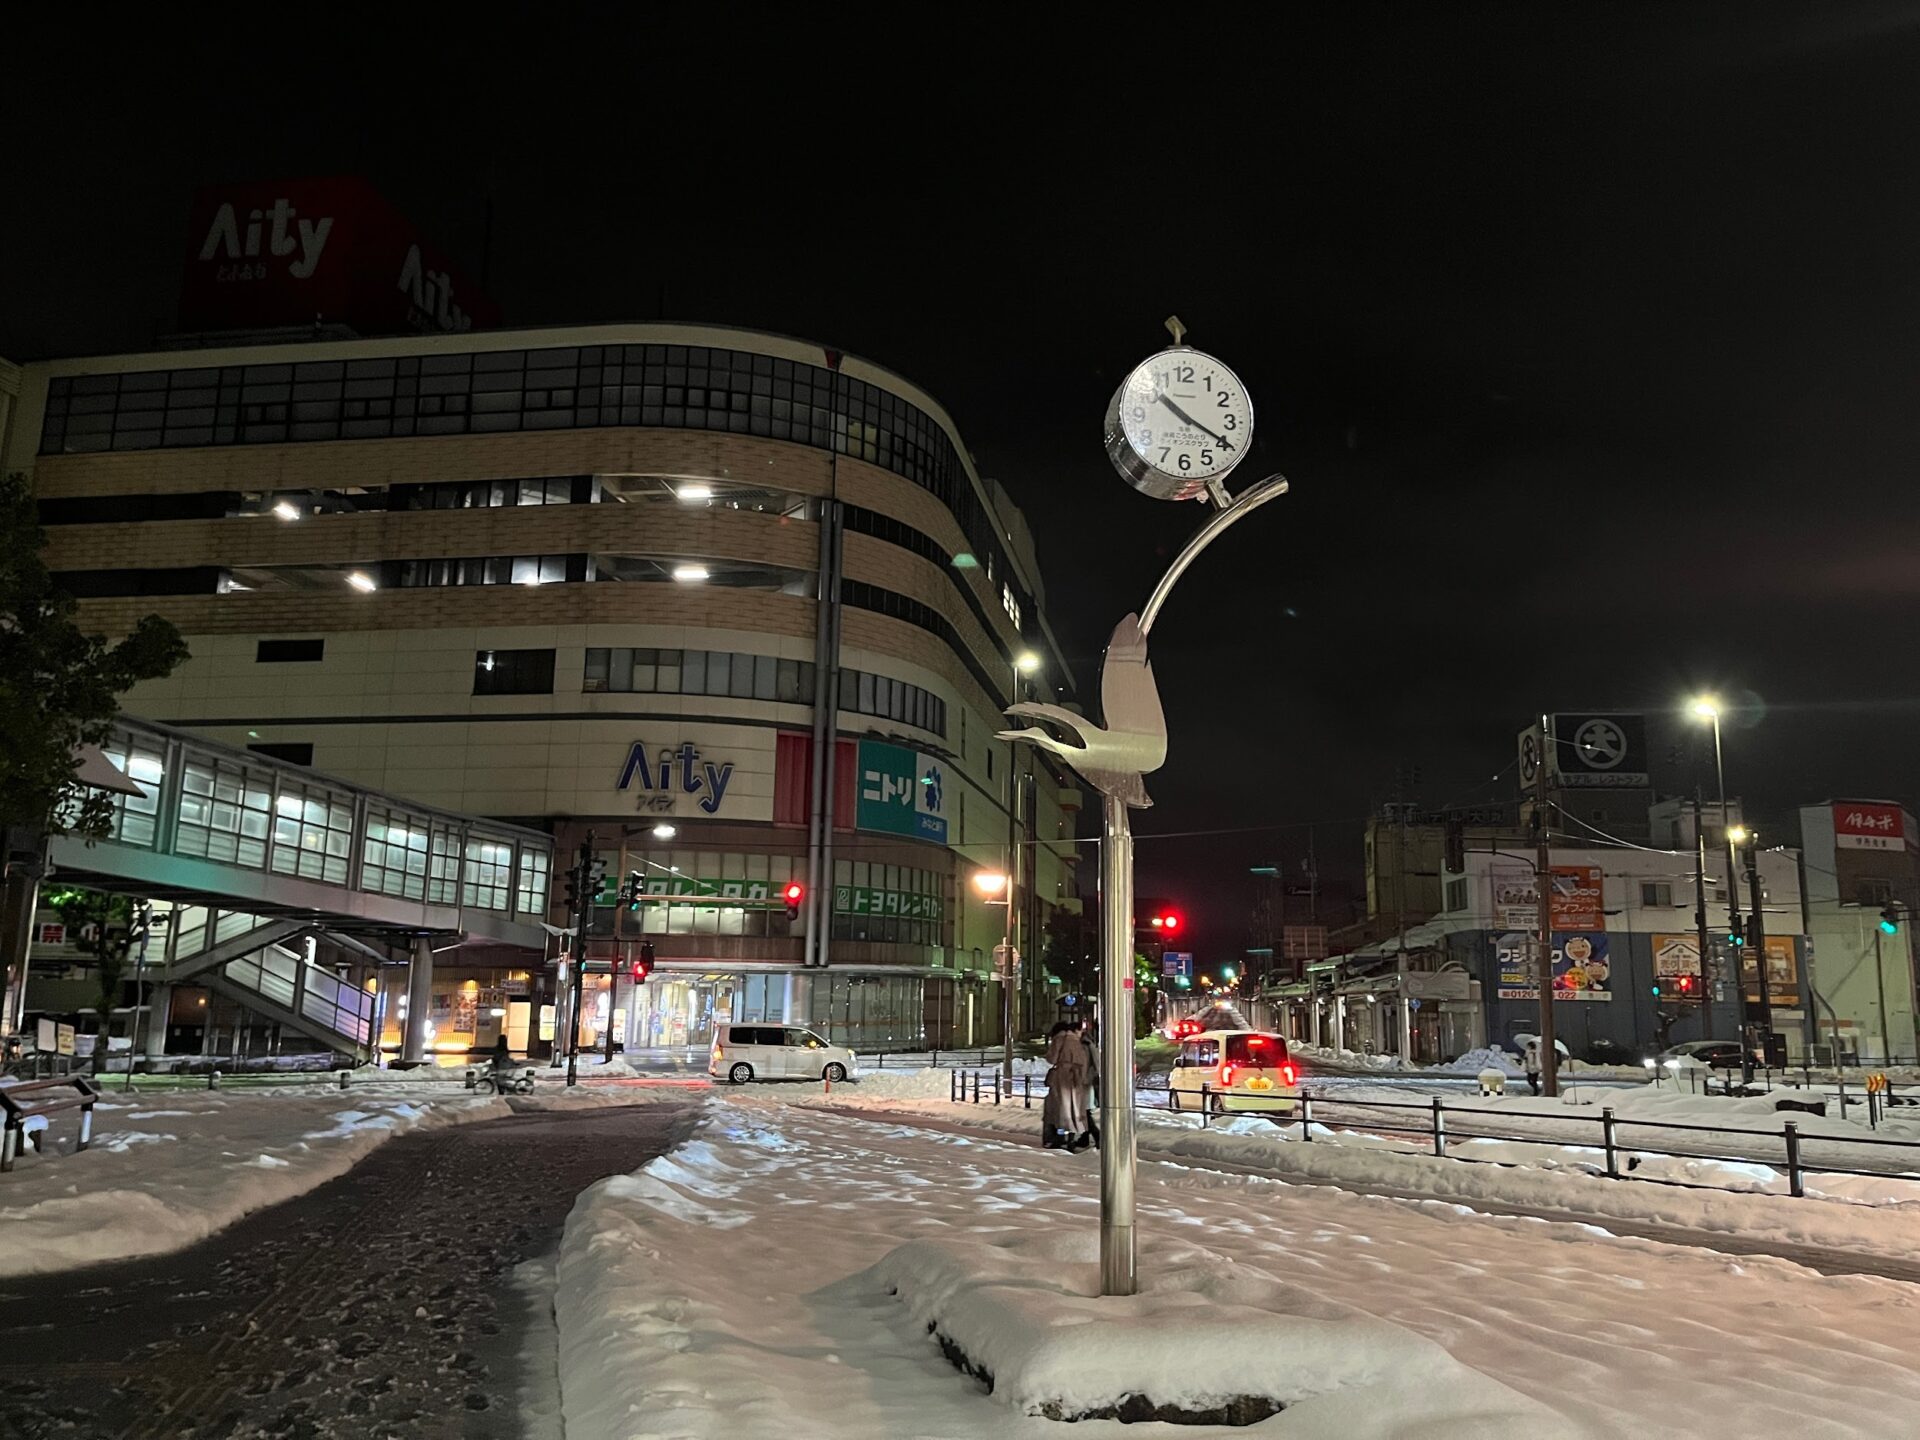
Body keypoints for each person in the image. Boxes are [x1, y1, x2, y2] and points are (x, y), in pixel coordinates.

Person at [1043, 1021, 1091, 1149]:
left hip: (1062, 1078)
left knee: (1061, 1111)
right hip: (1076, 1079)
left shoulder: (1059, 1039)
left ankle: (1060, 1138)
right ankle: (1071, 1139)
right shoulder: (1076, 1041)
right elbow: (1084, 1061)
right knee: (1074, 1111)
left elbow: (1052, 1058)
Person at [1076, 1020, 1100, 1151]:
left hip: (1085, 1082)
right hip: (1086, 1081)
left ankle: (1096, 1135)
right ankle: (1085, 1136)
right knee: (1084, 1111)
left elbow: (1090, 1064)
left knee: (1085, 1111)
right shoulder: (1088, 1043)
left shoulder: (1085, 1045)